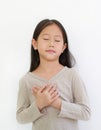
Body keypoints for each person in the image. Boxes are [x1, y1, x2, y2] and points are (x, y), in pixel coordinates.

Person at [16, 19, 91, 130]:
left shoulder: (71, 75)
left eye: (57, 40)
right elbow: (20, 117)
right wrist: (39, 104)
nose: (51, 44)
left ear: (63, 47)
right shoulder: (26, 80)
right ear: (35, 44)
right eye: (46, 39)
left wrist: (57, 103)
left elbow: (85, 113)